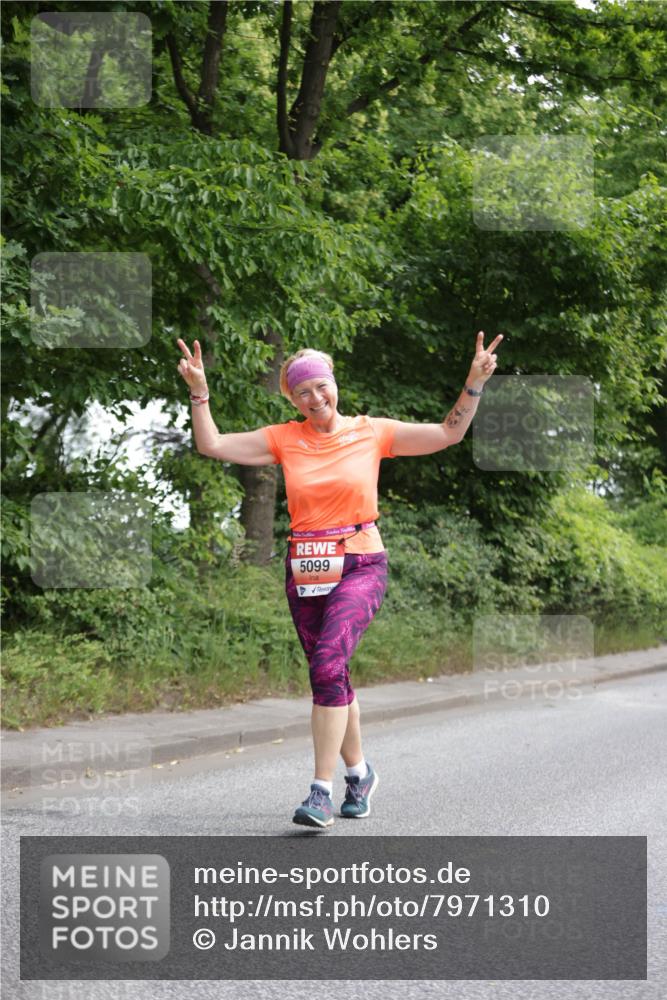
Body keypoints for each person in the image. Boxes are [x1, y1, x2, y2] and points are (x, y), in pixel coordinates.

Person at [177, 332, 502, 829]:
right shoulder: (283, 438)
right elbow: (212, 443)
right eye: (302, 392)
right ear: (292, 398)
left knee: (328, 663)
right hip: (305, 566)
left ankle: (319, 792)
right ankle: (360, 774)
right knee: (331, 674)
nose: (315, 398)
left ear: (335, 384)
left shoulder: (373, 432)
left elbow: (447, 434)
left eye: (320, 386)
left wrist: (473, 384)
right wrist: (200, 391)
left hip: (360, 560)